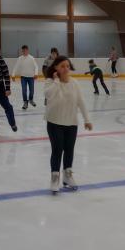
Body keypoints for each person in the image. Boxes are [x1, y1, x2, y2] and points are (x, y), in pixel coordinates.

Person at [44, 56, 93, 194]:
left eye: (67, 66)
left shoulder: (75, 83)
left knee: (69, 149)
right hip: (54, 122)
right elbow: (48, 95)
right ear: (56, 68)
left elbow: (81, 102)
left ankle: (67, 175)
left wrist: (87, 119)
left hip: (71, 122)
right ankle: (55, 177)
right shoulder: (50, 82)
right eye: (62, 66)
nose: (66, 69)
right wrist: (57, 81)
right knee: (57, 149)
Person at [12, 45, 39, 110]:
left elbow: (36, 66)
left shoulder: (31, 58)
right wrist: (13, 74)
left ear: (28, 50)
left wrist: (36, 74)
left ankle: (31, 100)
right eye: (23, 51)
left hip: (31, 77)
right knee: (24, 90)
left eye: (25, 50)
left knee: (31, 90)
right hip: (23, 77)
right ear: (22, 51)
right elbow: (16, 67)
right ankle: (25, 102)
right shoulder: (20, 58)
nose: (24, 52)